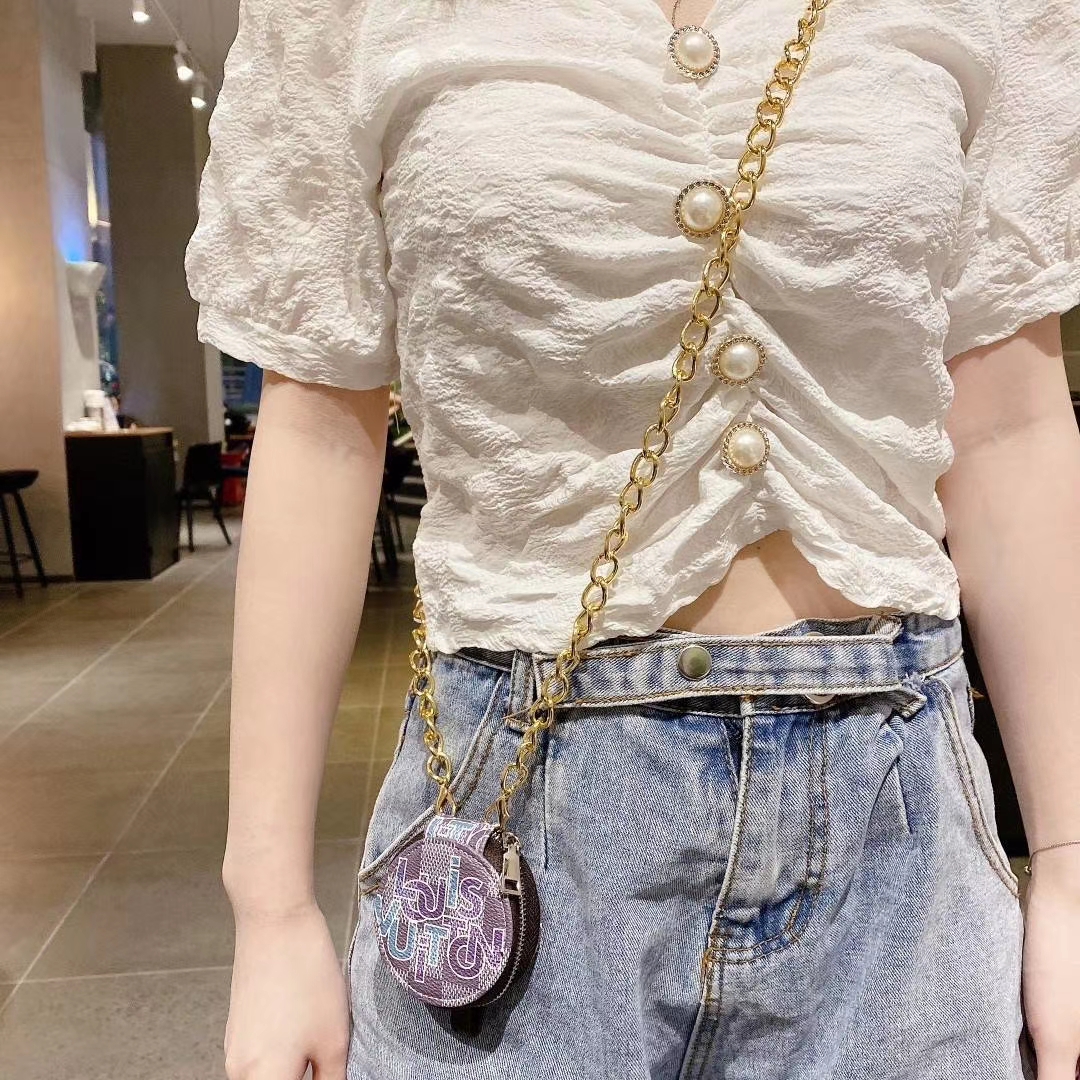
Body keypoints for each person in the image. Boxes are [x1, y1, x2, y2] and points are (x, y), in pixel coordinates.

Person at [185, 0, 1080, 1076]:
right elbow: (321, 425)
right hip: (519, 814)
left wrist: (1071, 861)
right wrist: (270, 904)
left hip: (897, 828)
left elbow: (1009, 425)